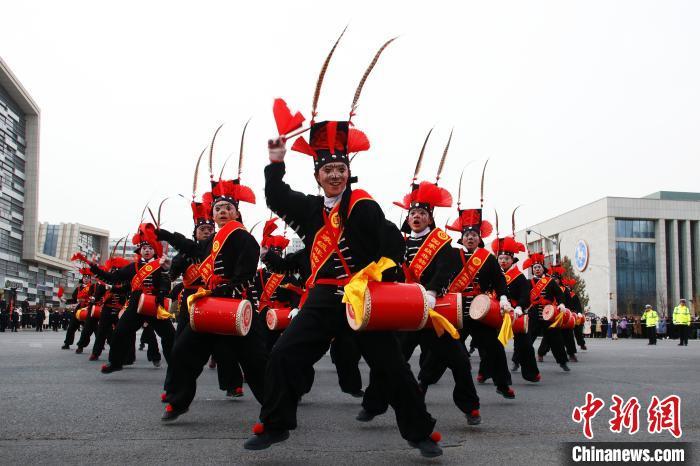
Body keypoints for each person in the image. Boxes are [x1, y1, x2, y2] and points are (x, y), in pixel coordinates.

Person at [244, 62, 442, 455]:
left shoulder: (363, 205)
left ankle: (421, 434)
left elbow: (392, 245)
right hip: (322, 298)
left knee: (392, 368)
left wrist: (379, 278)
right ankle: (275, 425)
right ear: (317, 175)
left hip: (364, 299)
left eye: (340, 169)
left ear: (348, 171)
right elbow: (276, 196)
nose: (334, 175)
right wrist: (275, 160)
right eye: (328, 170)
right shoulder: (309, 210)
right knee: (284, 354)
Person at [359, 177, 481, 425]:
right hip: (404, 310)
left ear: (430, 218)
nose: (417, 216)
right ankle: (373, 405)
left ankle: (470, 407)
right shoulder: (398, 242)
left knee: (459, 360)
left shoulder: (441, 243)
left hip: (433, 311)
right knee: (388, 360)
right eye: (413, 213)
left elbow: (445, 268)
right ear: (408, 217)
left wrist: (433, 292)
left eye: (422, 213)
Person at [158, 168, 267, 421]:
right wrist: (164, 235)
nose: (222, 212)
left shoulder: (243, 237)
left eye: (228, 208)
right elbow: (190, 247)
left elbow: (246, 272)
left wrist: (228, 288)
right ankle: (177, 401)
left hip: (236, 305)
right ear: (213, 214)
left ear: (236, 213)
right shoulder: (210, 242)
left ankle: (276, 407)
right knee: (183, 350)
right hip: (210, 306)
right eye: (218, 208)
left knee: (256, 361)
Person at [90, 223, 175, 373]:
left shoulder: (160, 265)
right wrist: (96, 270)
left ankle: (175, 366)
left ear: (154, 250)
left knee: (170, 335)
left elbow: (166, 282)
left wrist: (163, 290)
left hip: (155, 304)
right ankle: (116, 362)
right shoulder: (133, 267)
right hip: (136, 304)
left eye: (150, 248)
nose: (147, 250)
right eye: (144, 248)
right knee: (120, 332)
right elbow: (114, 278)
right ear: (140, 251)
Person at [493, 232, 540, 383]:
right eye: (500, 258)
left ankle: (531, 373)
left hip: (515, 313)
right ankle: (486, 372)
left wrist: (519, 307)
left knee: (525, 344)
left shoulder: (519, 277)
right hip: (498, 312)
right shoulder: (494, 275)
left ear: (512, 259)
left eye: (506, 259)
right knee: (492, 344)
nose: (503, 261)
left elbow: (525, 295)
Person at [526, 253, 570, 371]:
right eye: (535, 267)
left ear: (543, 268)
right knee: (527, 339)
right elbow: (525, 297)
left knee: (556, 338)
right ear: (532, 270)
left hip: (548, 314)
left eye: (539, 267)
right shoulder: (529, 282)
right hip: (534, 314)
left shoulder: (550, 281)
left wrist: (561, 304)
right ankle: (518, 360)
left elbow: (559, 294)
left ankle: (562, 362)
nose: (537, 269)